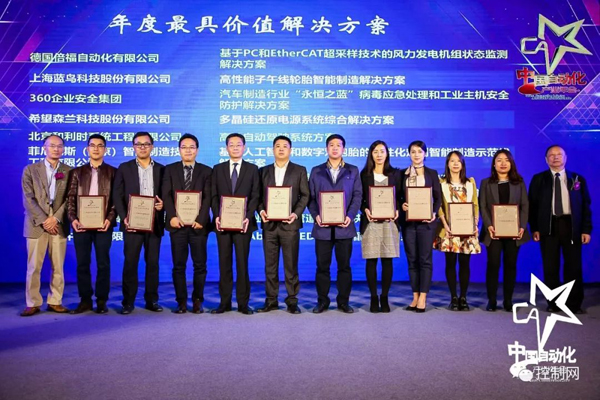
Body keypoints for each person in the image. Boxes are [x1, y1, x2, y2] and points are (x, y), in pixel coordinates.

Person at [529, 145, 592, 314]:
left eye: (559, 154)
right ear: (546, 159)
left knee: (573, 267)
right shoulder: (538, 179)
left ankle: (574, 303)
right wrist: (534, 228)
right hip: (548, 227)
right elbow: (532, 206)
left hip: (571, 226)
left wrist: (586, 230)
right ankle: (554, 302)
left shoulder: (577, 179)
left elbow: (585, 206)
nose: (555, 157)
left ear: (565, 158)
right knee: (550, 267)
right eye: (551, 155)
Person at [308, 134, 362, 314]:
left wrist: (350, 216)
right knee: (322, 267)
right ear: (326, 148)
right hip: (322, 228)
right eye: (331, 145)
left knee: (344, 267)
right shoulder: (316, 171)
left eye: (338, 145)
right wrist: (316, 215)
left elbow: (357, 196)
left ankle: (343, 302)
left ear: (343, 149)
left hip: (344, 227)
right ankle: (322, 301)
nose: (335, 148)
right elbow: (311, 198)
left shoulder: (353, 171)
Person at [113, 131, 165, 315]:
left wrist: (163, 205)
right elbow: (117, 195)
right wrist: (123, 216)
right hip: (132, 223)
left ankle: (152, 300)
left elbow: (166, 195)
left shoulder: (162, 169)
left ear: (152, 146)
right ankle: (128, 302)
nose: (142, 147)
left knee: (153, 263)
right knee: (130, 263)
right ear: (133, 147)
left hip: (154, 223)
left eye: (146, 144)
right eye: (138, 144)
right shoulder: (124, 168)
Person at [20, 134, 72, 316]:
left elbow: (70, 198)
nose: (56, 149)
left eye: (59, 146)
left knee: (58, 265)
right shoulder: (30, 170)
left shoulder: (69, 171)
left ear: (63, 149)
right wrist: (44, 219)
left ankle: (55, 301)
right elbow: (28, 198)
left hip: (58, 222)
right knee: (34, 266)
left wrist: (55, 218)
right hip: (36, 222)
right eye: (52, 145)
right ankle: (32, 302)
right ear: (44, 148)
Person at [256, 136, 309, 314]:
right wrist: (261, 211)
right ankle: (271, 300)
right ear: (272, 150)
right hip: (269, 225)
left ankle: (292, 300)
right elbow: (257, 196)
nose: (281, 149)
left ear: (290, 150)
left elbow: (305, 195)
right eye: (277, 146)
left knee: (290, 265)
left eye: (284, 146)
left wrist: (295, 213)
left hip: (290, 225)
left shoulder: (299, 170)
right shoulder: (263, 171)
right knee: (270, 266)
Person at [162, 133, 212, 314]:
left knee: (200, 265)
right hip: (178, 225)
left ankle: (198, 300)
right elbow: (166, 195)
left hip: (199, 226)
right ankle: (181, 301)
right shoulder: (169, 170)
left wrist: (201, 219)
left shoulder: (207, 171)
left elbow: (208, 197)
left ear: (197, 150)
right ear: (179, 150)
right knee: (179, 265)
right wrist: (172, 216)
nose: (188, 150)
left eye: (191, 147)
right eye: (184, 147)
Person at [67, 134, 117, 314]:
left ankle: (102, 300)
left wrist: (109, 219)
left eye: (100, 145)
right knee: (82, 263)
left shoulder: (113, 172)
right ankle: (85, 300)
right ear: (87, 149)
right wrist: (73, 219)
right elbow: (70, 198)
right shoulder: (77, 172)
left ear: (105, 149)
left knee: (103, 263)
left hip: (104, 225)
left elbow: (116, 200)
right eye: (92, 145)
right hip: (81, 225)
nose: (96, 148)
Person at [211, 133, 260, 315]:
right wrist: (217, 215)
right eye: (231, 144)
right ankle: (224, 302)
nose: (235, 147)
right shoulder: (217, 169)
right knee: (224, 263)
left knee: (242, 263)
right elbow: (214, 195)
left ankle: (242, 303)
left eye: (238, 144)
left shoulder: (253, 169)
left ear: (244, 147)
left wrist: (247, 216)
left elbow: (255, 195)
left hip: (244, 224)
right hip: (222, 224)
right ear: (226, 148)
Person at [479, 149, 530, 312]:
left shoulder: (519, 182)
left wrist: (522, 226)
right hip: (493, 232)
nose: (503, 163)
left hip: (514, 232)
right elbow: (483, 206)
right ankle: (492, 300)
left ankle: (508, 300)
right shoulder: (486, 183)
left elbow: (525, 205)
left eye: (506, 160)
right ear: (494, 164)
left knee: (510, 265)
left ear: (511, 163)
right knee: (493, 264)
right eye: (499, 160)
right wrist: (489, 225)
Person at [433, 151, 481, 311]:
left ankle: (463, 297)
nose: (455, 164)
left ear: (462, 164)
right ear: (447, 164)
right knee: (451, 263)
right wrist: (445, 224)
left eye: (458, 161)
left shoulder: (470, 182)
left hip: (467, 230)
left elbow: (475, 204)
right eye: (452, 161)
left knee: (465, 264)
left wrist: (475, 224)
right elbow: (439, 206)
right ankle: (453, 297)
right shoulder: (441, 182)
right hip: (449, 230)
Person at [399, 140, 441, 313]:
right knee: (412, 260)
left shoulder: (432, 173)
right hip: (409, 223)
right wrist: (402, 205)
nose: (416, 155)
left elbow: (438, 198)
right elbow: (398, 197)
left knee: (425, 259)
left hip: (426, 223)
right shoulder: (402, 174)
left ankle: (423, 296)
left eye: (419, 151)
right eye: (413, 151)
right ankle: (415, 296)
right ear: (409, 154)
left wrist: (434, 212)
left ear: (425, 154)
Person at [360, 140, 400, 313]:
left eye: (382, 151)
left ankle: (384, 296)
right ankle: (373, 297)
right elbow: (359, 198)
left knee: (387, 260)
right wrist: (365, 209)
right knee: (371, 260)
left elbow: (401, 197)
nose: (379, 154)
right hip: (371, 223)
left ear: (387, 153)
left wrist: (398, 209)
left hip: (390, 223)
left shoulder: (396, 174)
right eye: (375, 151)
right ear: (371, 154)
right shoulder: (364, 175)